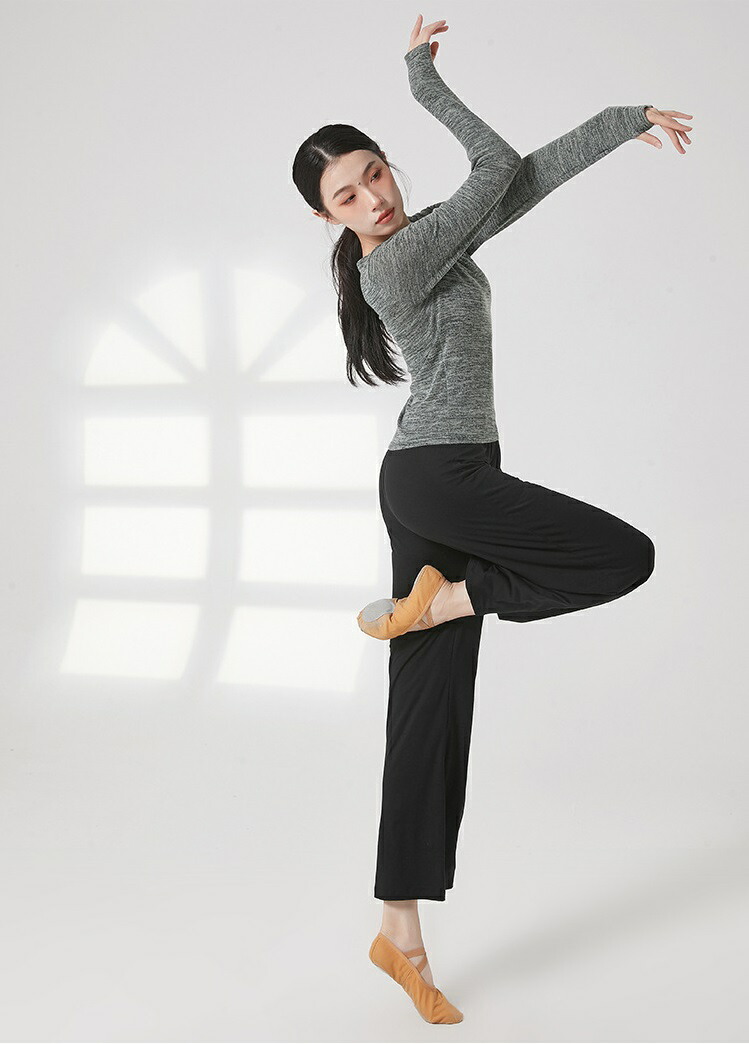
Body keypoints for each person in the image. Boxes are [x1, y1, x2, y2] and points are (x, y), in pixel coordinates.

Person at [292, 14, 693, 1025]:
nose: (374, 198)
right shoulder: (389, 265)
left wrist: (623, 120)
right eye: (349, 196)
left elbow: (524, 181)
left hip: (441, 474)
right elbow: (498, 162)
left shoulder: (425, 236)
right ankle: (450, 601)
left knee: (426, 715)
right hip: (437, 478)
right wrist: (422, 82)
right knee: (622, 555)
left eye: (373, 174)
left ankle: (398, 936)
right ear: (326, 219)